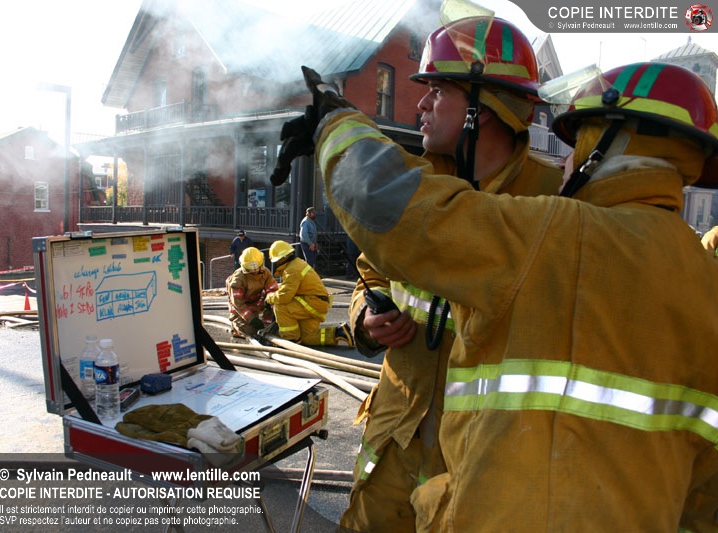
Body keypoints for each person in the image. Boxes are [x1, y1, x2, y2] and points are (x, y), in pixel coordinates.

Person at [295, 57, 718, 530]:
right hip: (404, 442)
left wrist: (337, 122)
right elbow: (704, 497)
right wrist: (364, 317)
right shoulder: (705, 277)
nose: (567, 159)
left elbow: (381, 201)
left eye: (578, 140)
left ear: (610, 144)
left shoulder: (555, 226)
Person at [340, 17, 562, 532]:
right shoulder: (414, 185)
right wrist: (366, 318)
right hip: (392, 447)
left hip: (478, 469)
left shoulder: (554, 205)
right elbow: (370, 272)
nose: (420, 104)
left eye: (438, 91)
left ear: (484, 108)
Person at [264, 240, 353, 347]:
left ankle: (291, 339)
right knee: (307, 337)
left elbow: (284, 296)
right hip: (316, 303)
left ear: (280, 259)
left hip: (312, 302)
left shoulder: (292, 269)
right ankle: (338, 332)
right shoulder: (296, 264)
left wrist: (269, 298)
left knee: (280, 306)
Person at [225, 247, 277, 338]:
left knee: (272, 307)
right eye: (251, 269)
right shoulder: (238, 279)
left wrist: (273, 307)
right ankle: (236, 327)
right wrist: (252, 319)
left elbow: (273, 290)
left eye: (257, 268)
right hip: (240, 309)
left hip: (256, 303)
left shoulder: (265, 273)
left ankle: (266, 327)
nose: (255, 271)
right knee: (251, 332)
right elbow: (238, 304)